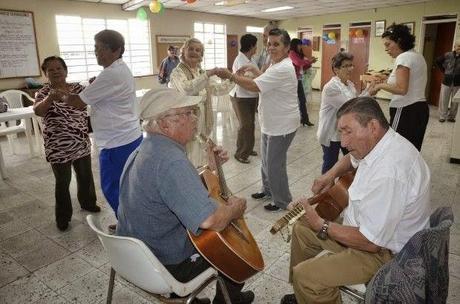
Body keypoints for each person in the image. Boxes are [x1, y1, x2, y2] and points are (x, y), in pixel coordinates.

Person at [280, 97, 431, 304]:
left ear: (373, 126)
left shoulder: (390, 171)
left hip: (385, 254)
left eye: (347, 131)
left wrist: (321, 224)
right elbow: (350, 159)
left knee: (307, 276)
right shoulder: (380, 143)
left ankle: (308, 286)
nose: (343, 142)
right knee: (301, 228)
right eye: (341, 132)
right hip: (366, 231)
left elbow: (371, 243)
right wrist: (329, 175)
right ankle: (302, 295)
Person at [116, 87, 255, 304]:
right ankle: (227, 300)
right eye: (187, 113)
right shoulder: (171, 161)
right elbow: (212, 221)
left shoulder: (144, 149)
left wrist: (209, 168)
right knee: (234, 252)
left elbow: (175, 189)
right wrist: (236, 209)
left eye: (193, 112)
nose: (194, 118)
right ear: (164, 123)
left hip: (133, 256)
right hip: (166, 264)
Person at [217, 29, 299, 212]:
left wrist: (230, 76)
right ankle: (268, 190)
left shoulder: (284, 67)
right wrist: (255, 70)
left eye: (276, 44)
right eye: (269, 43)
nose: (271, 47)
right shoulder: (275, 64)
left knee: (274, 164)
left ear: (287, 48)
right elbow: (264, 79)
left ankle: (282, 201)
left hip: (282, 124)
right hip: (271, 122)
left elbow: (255, 86)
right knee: (266, 161)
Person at [63, 29, 142, 218]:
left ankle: (127, 225)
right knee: (128, 185)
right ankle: (131, 221)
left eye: (101, 49)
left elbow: (78, 101)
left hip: (117, 141)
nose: (97, 53)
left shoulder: (111, 75)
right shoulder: (118, 69)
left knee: (112, 187)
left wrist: (60, 94)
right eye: (95, 48)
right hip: (128, 135)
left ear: (116, 50)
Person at [34, 56, 100, 231]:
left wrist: (96, 84)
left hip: (80, 141)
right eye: (51, 70)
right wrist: (49, 99)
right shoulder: (42, 93)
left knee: (85, 176)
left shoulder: (78, 88)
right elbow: (38, 111)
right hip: (57, 146)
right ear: (46, 74)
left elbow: (90, 99)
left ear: (66, 70)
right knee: (62, 182)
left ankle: (88, 203)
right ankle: (63, 217)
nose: (56, 72)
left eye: (59, 68)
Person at [168, 38, 234, 167]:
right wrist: (209, 74)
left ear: (201, 55)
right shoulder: (177, 72)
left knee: (201, 152)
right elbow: (187, 89)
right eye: (190, 49)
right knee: (189, 153)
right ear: (183, 51)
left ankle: (200, 177)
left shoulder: (200, 72)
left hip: (202, 117)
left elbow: (218, 89)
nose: (194, 52)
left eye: (198, 50)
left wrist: (234, 78)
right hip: (184, 119)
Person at [369, 23, 429, 151]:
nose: (386, 49)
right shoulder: (416, 55)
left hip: (406, 110)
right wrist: (386, 79)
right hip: (418, 109)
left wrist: (379, 85)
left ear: (399, 41)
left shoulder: (404, 57)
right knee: (410, 149)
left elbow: (401, 89)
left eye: (388, 44)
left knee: (396, 148)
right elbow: (408, 81)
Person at [317, 51, 367, 174]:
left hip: (345, 132)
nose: (350, 69)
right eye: (345, 66)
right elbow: (350, 106)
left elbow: (356, 100)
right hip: (331, 133)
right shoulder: (331, 87)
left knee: (352, 161)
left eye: (351, 65)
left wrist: (368, 92)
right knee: (330, 164)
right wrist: (369, 93)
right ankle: (325, 192)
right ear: (336, 69)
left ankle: (347, 187)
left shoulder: (349, 85)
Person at [229, 34, 259, 164]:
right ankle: (240, 153)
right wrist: (256, 80)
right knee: (245, 124)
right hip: (240, 96)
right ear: (251, 46)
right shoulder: (240, 60)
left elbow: (255, 76)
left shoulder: (251, 59)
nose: (256, 48)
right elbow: (243, 80)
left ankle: (248, 148)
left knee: (250, 124)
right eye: (256, 45)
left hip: (251, 96)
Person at [289, 38, 315, 126]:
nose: (300, 47)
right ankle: (300, 119)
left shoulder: (298, 54)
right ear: (295, 45)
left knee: (302, 100)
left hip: (298, 79)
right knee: (295, 100)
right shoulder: (291, 53)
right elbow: (298, 63)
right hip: (292, 80)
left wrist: (310, 63)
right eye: (299, 45)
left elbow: (302, 67)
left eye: (301, 45)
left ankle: (304, 119)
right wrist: (308, 61)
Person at [435, 41, 460, 122]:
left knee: (455, 101)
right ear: (455, 47)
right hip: (446, 81)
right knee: (444, 100)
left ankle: (452, 117)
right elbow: (438, 61)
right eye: (459, 46)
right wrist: (444, 71)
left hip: (458, 82)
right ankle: (442, 116)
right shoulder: (448, 55)